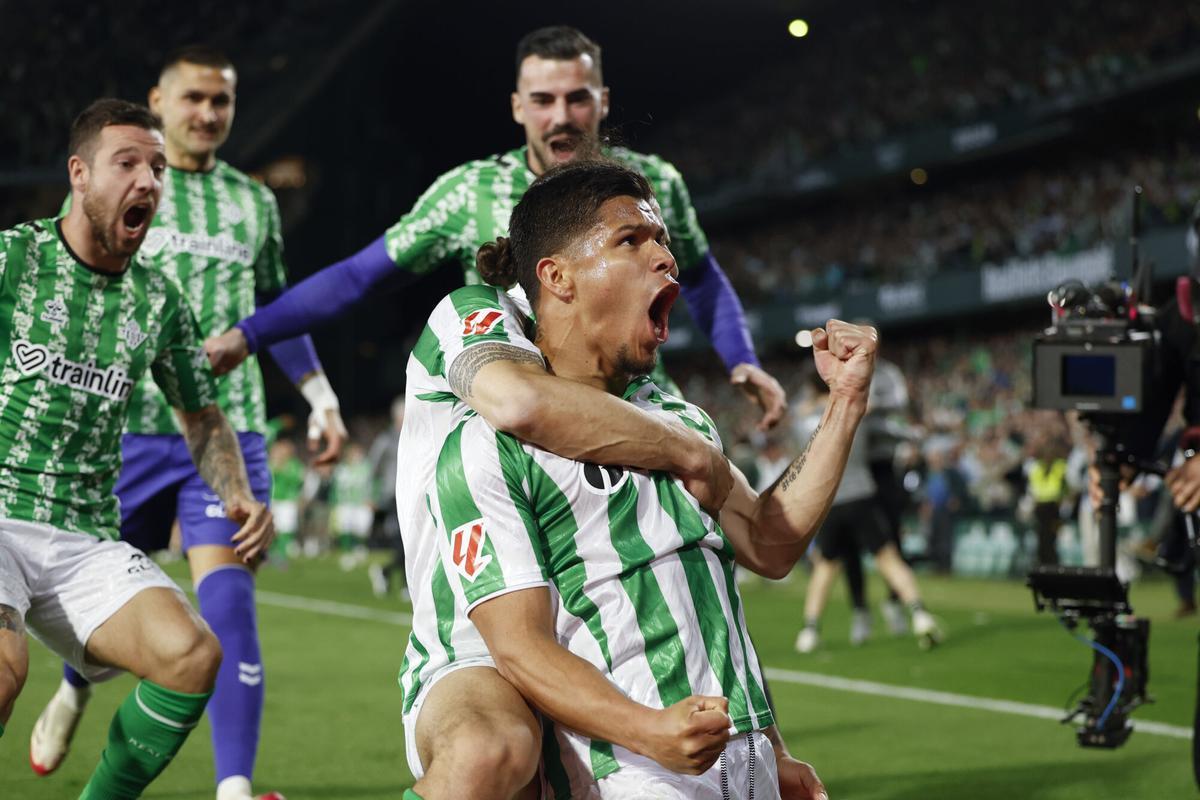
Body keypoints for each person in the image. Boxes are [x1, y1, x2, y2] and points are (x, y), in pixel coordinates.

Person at [423, 160, 854, 799]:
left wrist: (845, 400)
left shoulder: (678, 420)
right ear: (556, 277)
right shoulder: (485, 445)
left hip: (744, 762)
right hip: (630, 771)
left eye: (665, 243)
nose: (665, 260)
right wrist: (648, 731)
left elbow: (768, 543)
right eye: (632, 241)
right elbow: (519, 650)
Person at [203, 25, 786, 431]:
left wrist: (741, 357)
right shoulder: (467, 193)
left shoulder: (650, 184)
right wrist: (250, 333)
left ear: (603, 101)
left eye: (577, 99)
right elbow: (360, 276)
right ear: (516, 107)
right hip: (516, 424)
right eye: (543, 100)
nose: (560, 117)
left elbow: (703, 278)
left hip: (631, 410)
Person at [28, 47, 342, 800]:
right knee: (103, 601)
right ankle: (76, 685)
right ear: (159, 102)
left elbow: (278, 313)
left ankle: (233, 788)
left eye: (221, 102)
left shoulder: (253, 204)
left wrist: (321, 396)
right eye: (194, 99)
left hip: (226, 429)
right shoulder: (120, 188)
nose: (208, 115)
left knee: (228, 602)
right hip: (122, 430)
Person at [0, 98, 274, 799]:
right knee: (4, 667)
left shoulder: (158, 299)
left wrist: (236, 493)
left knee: (190, 654)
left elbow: (202, 416)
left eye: (156, 168)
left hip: (82, 536)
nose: (149, 181)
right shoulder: (15, 260)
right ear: (80, 175)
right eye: (127, 163)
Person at [794, 370, 942, 653]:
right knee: (888, 558)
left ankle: (809, 631)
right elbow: (896, 428)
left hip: (829, 499)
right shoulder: (855, 408)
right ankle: (920, 614)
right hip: (861, 493)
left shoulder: (802, 421)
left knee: (825, 567)